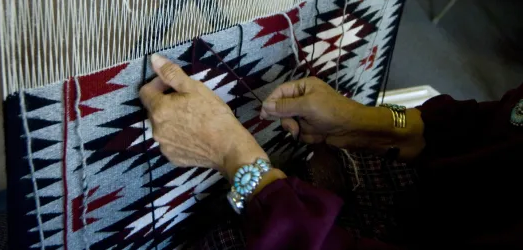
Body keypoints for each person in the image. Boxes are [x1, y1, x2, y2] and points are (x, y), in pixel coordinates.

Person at [140, 54, 523, 250]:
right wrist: (362, 122)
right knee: (321, 166)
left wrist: (234, 156)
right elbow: (497, 128)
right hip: (455, 200)